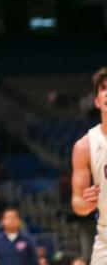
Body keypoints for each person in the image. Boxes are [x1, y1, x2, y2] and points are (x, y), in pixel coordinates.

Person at [71, 68, 107, 264]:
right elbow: (77, 202)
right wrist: (85, 204)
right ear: (97, 101)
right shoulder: (84, 146)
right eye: (103, 89)